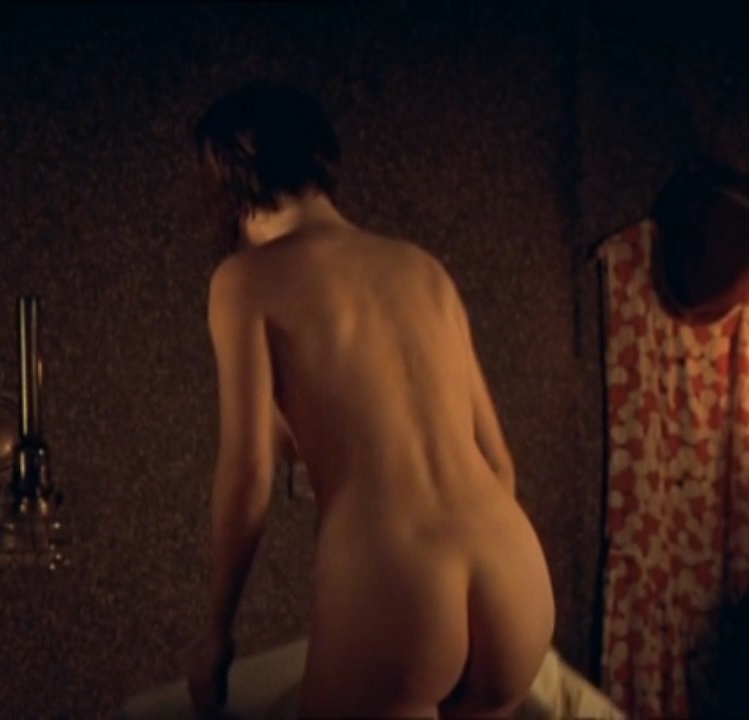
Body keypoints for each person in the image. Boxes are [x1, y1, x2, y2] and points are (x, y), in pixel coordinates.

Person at [181, 83, 555, 719]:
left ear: (229, 180)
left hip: (398, 583)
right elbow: (500, 465)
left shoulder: (244, 282)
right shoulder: (423, 268)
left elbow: (248, 477)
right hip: (513, 573)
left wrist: (216, 633)